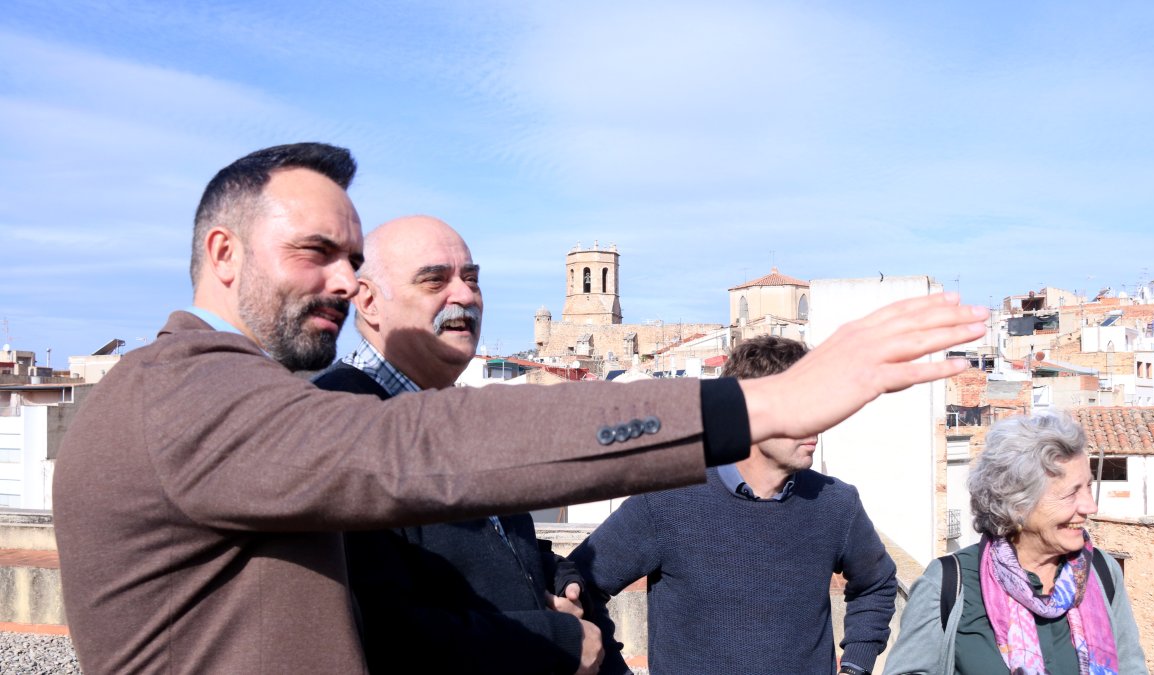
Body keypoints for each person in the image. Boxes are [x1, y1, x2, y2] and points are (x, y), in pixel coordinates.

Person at [51, 142, 987, 673]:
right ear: (223, 254)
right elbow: (415, 448)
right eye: (316, 253)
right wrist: (763, 401)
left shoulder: (239, 403)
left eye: (352, 254)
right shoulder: (179, 391)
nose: (345, 277)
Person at [313, 215, 623, 675]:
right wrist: (555, 642)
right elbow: (379, 626)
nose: (463, 295)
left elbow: (496, 550)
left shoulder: (457, 413)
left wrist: (560, 576)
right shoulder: (341, 419)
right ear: (370, 302)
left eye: (471, 278)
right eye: (435, 280)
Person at [569, 335, 898, 675]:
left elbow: (877, 583)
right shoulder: (666, 499)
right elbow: (578, 585)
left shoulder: (836, 504)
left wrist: (856, 665)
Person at [886, 411, 1148, 674]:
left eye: (1088, 487)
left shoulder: (1100, 571)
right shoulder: (949, 583)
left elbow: (1131, 667)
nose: (1090, 506)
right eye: (1071, 494)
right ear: (1018, 504)